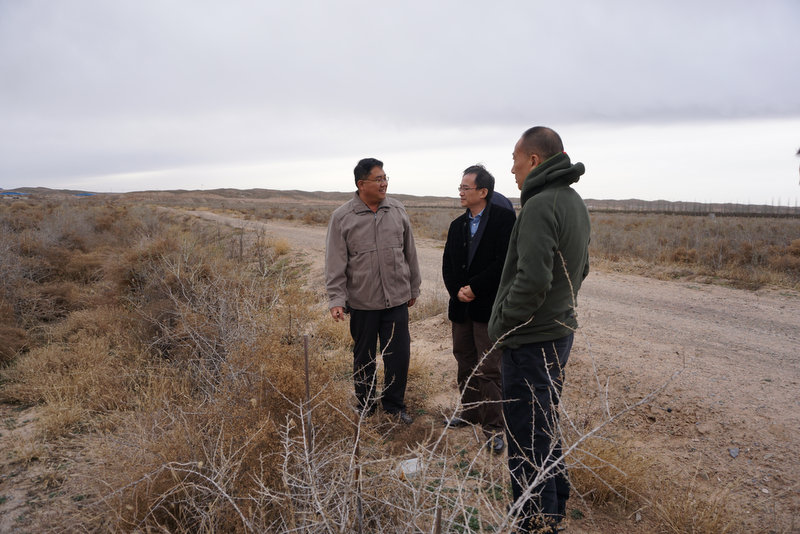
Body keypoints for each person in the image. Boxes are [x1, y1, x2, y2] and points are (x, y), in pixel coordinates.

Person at [488, 127, 591, 533]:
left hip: (531, 341)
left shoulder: (539, 206)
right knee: (543, 425)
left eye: (515, 160)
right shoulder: (573, 202)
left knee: (526, 436)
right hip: (559, 333)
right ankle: (553, 510)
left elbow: (532, 281)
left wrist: (503, 323)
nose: (512, 169)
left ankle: (534, 522)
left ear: (533, 160)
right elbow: (581, 268)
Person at [325, 157, 421, 424]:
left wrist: (413, 287)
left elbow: (410, 252)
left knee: (398, 356)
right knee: (364, 357)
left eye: (385, 178)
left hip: (397, 299)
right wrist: (336, 299)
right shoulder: (342, 217)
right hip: (363, 302)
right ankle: (366, 405)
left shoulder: (397, 210)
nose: (384, 183)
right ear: (361, 184)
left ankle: (394, 407)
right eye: (378, 179)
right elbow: (335, 262)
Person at [442, 164, 515, 454]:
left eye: (466, 188)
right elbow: (448, 265)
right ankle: (470, 412)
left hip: (488, 307)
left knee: (489, 368)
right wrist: (457, 291)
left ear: (483, 191)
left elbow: (504, 263)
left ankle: (494, 427)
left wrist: (475, 288)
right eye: (460, 187)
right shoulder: (457, 225)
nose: (460, 192)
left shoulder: (504, 220)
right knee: (464, 360)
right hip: (461, 308)